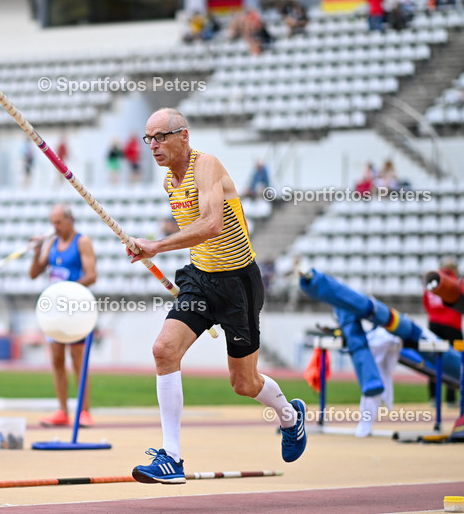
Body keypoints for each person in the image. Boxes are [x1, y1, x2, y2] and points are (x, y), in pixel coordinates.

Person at [125, 108, 306, 484]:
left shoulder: (205, 165)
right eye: (149, 139)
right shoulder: (168, 184)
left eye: (161, 137)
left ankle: (290, 416)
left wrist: (156, 246)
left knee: (244, 384)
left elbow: (212, 224)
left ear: (183, 135)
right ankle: (171, 457)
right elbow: (196, 233)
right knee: (164, 350)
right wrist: (152, 248)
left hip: (238, 283)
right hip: (200, 280)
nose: (153, 146)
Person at [29, 203, 98, 427]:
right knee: (57, 360)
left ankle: (84, 412)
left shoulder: (82, 242)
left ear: (69, 220)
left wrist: (67, 291)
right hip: (55, 310)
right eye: (52, 222)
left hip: (75, 309)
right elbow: (34, 273)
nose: (55, 227)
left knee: (78, 360)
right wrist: (37, 251)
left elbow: (91, 275)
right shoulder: (52, 243)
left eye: (58, 222)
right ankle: (62, 410)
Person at [423, 257, 463, 405]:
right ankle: (451, 398)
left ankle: (434, 396)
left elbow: (426, 302)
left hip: (434, 324)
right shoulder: (455, 281)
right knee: (455, 361)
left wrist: (434, 316)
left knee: (433, 360)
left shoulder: (430, 281)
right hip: (453, 325)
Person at [354, 326, 403, 437]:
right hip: (372, 370)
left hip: (374, 371)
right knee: (371, 395)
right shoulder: (375, 335)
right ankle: (364, 427)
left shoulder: (379, 334)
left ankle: (364, 428)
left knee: (372, 394)